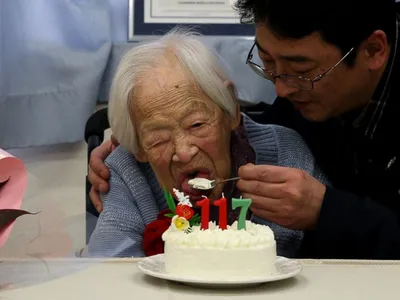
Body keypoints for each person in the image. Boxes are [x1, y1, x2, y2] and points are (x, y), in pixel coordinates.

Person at [89, 0, 400, 259]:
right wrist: (134, 138)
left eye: (301, 72)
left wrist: (328, 210)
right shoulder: (298, 111)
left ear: (373, 50)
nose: (280, 90)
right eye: (267, 62)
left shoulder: (290, 150)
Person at [86, 29, 330, 258]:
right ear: (138, 148)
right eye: (158, 139)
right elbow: (109, 266)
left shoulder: (286, 154)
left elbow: (334, 259)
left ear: (231, 111)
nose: (183, 152)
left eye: (197, 125)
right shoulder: (125, 170)